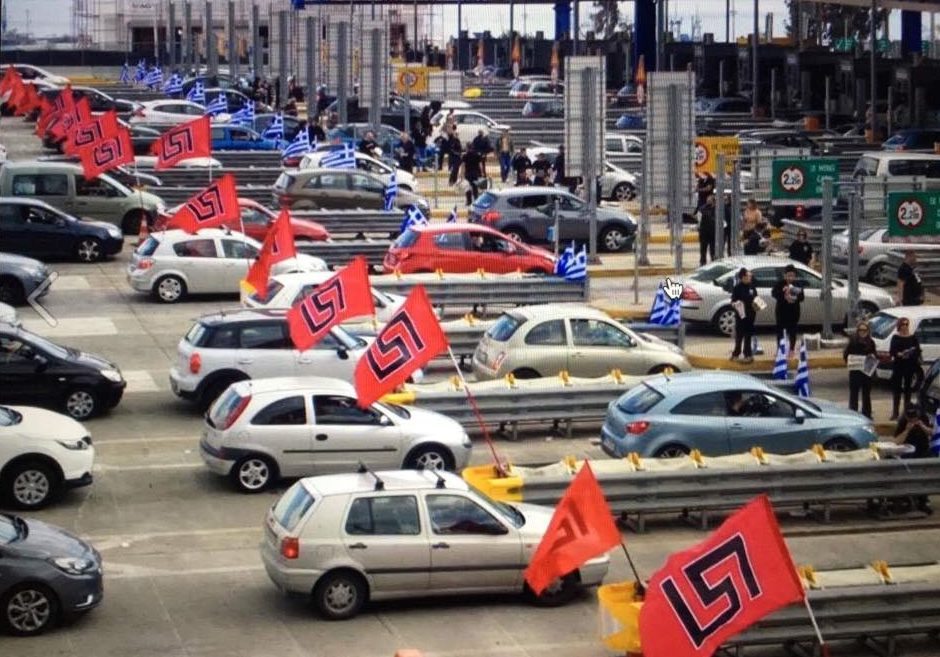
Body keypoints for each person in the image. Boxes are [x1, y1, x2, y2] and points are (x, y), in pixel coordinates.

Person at [893, 405, 934, 514]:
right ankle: (907, 499)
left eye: (914, 417)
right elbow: (896, 441)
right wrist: (907, 430)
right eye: (910, 417)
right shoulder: (903, 422)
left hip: (922, 451)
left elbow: (932, 433)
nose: (912, 419)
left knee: (923, 477)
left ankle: (923, 501)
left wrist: (922, 426)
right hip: (908, 453)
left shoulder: (923, 418)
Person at [890, 317, 922, 420]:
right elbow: (892, 351)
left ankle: (906, 412)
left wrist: (911, 354)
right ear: (899, 326)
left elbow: (917, 350)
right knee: (897, 389)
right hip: (898, 365)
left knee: (908, 389)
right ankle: (895, 412)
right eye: (903, 324)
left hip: (909, 365)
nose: (905, 327)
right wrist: (899, 354)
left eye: (906, 324)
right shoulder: (895, 337)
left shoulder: (913, 337)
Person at [843, 320, 877, 419]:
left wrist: (872, 357)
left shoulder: (871, 342)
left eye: (865, 330)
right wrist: (851, 361)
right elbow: (846, 355)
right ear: (857, 331)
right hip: (855, 372)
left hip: (866, 373)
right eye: (861, 330)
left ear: (868, 331)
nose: (863, 332)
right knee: (854, 395)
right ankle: (853, 415)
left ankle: (867, 414)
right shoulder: (853, 342)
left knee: (866, 395)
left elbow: (875, 355)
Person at [771, 264, 804, 353]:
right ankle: (780, 349)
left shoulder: (797, 284)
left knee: (793, 331)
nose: (790, 278)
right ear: (784, 275)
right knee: (780, 332)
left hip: (794, 312)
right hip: (781, 311)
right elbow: (774, 294)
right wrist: (783, 292)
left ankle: (791, 349)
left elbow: (801, 297)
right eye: (788, 275)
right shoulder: (780, 284)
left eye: (792, 276)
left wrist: (794, 296)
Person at [730, 268, 759, 363]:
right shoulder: (737, 288)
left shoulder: (752, 287)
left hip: (751, 316)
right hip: (741, 316)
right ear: (743, 277)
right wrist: (736, 304)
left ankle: (748, 354)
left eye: (750, 276)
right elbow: (733, 301)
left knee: (748, 336)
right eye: (748, 276)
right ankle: (735, 354)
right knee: (739, 336)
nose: (750, 278)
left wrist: (757, 304)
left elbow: (756, 298)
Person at [698, 193, 716, 266]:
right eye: (707, 200)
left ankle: (713, 262)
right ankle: (703, 263)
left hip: (712, 232)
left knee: (713, 250)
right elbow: (699, 220)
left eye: (710, 200)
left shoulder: (717, 209)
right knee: (703, 249)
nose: (708, 201)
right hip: (704, 232)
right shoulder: (702, 209)